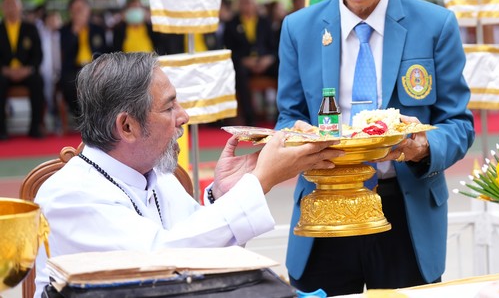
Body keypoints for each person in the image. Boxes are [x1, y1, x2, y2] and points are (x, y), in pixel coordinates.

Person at [276, 0, 475, 296]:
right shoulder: (299, 29)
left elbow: (458, 124)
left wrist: (421, 147)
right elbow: (288, 116)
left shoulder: (435, 25)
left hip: (404, 212)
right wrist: (298, 136)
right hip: (324, 210)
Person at [34, 51, 342, 297]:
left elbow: (207, 252)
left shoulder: (156, 175)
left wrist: (224, 193)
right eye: (169, 108)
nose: (184, 116)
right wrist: (260, 181)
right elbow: (162, 263)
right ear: (127, 126)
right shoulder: (69, 195)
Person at [224, 0, 278, 125]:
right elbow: (228, 49)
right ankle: (249, 118)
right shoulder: (231, 24)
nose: (247, 5)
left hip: (265, 62)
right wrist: (243, 61)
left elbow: (275, 46)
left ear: (255, 3)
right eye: (243, 2)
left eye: (249, 2)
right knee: (239, 73)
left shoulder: (265, 22)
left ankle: (281, 114)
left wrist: (268, 59)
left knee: (282, 69)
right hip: (244, 64)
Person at [0, 0, 46, 139]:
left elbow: (38, 55)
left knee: (38, 81)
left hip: (26, 72)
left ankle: (35, 127)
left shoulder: (30, 28)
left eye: (14, 4)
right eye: (7, 4)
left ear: (20, 7)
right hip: (4, 73)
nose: (11, 8)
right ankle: (1, 130)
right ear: (2, 8)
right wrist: (5, 70)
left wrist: (28, 69)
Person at [59, 0, 108, 118]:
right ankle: (81, 117)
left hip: (95, 67)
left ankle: (98, 118)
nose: (79, 12)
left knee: (104, 81)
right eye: (75, 9)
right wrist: (74, 32)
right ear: (70, 12)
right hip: (74, 68)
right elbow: (65, 52)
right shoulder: (64, 30)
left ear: (88, 10)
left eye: (81, 8)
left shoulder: (98, 29)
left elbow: (105, 51)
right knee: (68, 83)